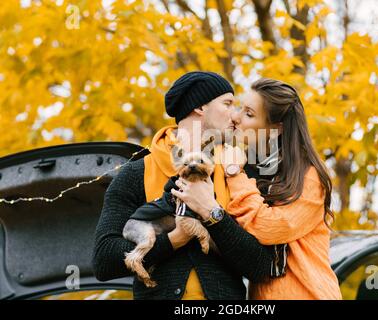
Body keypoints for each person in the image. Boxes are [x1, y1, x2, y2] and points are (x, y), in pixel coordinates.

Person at [92, 72, 281, 300]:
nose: (236, 116)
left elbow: (262, 266)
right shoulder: (136, 172)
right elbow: (103, 261)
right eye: (228, 104)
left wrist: (213, 214)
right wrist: (174, 239)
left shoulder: (240, 171)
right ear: (200, 107)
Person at [172, 78, 342, 300]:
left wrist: (234, 172)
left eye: (249, 114)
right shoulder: (257, 169)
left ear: (276, 129)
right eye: (240, 108)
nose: (236, 117)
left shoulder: (309, 177)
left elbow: (267, 227)